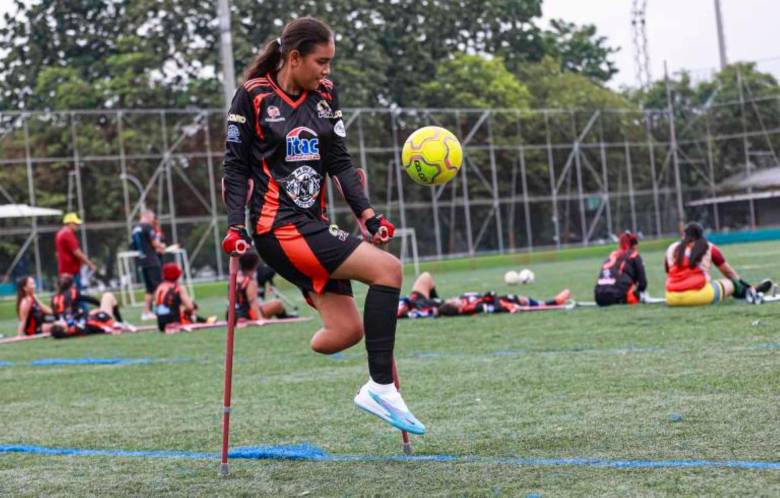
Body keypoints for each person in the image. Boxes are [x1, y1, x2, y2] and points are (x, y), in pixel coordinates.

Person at [221, 17, 425, 435]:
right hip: (278, 229)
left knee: (346, 332)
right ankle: (381, 387)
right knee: (389, 271)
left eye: (330, 63)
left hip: (312, 225)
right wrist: (235, 228)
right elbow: (234, 169)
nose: (327, 71)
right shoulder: (253, 96)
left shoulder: (326, 95)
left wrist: (368, 214)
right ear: (293, 59)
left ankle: (329, 364)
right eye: (321, 62)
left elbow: (340, 162)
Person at [665, 222, 773, 306]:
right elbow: (729, 272)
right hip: (700, 295)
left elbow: (668, 271)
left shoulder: (671, 247)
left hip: (672, 297)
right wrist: (745, 284)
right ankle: (750, 291)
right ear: (701, 235)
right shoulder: (708, 247)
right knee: (731, 283)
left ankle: (751, 290)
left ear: (684, 235)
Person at [398, 272, 571, 318]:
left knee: (425, 277)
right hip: (427, 306)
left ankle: (437, 300)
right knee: (511, 298)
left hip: (422, 302)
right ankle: (551, 302)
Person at [229, 251, 294, 323]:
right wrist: (260, 319)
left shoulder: (235, 278)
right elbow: (252, 302)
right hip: (247, 315)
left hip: (233, 314)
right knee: (277, 304)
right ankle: (285, 318)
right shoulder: (250, 282)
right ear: (255, 265)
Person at [50, 273, 126, 330]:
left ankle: (120, 322)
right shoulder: (73, 293)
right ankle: (121, 322)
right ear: (72, 285)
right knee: (108, 295)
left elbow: (56, 316)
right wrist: (102, 305)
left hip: (68, 324)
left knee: (95, 311)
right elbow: (91, 300)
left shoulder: (54, 298)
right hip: (83, 324)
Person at [154, 263, 215, 332]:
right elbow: (190, 307)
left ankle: (204, 320)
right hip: (174, 322)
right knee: (191, 309)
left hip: (161, 323)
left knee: (181, 309)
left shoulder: (159, 287)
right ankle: (205, 321)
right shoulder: (178, 288)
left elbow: (158, 307)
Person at [594, 232, 648, 306]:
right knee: (635, 295)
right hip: (618, 296)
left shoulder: (611, 255)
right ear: (633, 245)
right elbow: (642, 283)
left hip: (599, 296)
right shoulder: (634, 255)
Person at [132, 209, 166, 320]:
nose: (153, 220)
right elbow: (155, 243)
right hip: (152, 261)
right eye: (152, 217)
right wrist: (162, 246)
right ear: (147, 216)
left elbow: (135, 246)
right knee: (158, 287)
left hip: (142, 261)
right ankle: (162, 310)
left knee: (149, 289)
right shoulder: (147, 227)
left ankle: (146, 312)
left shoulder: (135, 229)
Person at [55, 212, 97, 291]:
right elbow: (77, 252)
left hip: (65, 271)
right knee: (77, 296)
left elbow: (58, 254)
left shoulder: (60, 233)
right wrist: (90, 264)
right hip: (71, 271)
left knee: (69, 296)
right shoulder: (67, 234)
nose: (77, 225)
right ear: (70, 223)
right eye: (75, 223)